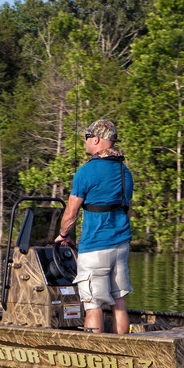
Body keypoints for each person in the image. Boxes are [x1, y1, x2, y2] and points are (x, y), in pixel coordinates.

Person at [54, 120, 134, 334]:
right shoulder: (124, 171)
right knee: (119, 303)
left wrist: (63, 235)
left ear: (96, 139)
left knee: (93, 305)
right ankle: (125, 352)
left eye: (86, 137)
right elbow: (126, 209)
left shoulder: (85, 172)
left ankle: (96, 359)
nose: (85, 141)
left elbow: (71, 213)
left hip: (95, 248)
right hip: (121, 247)